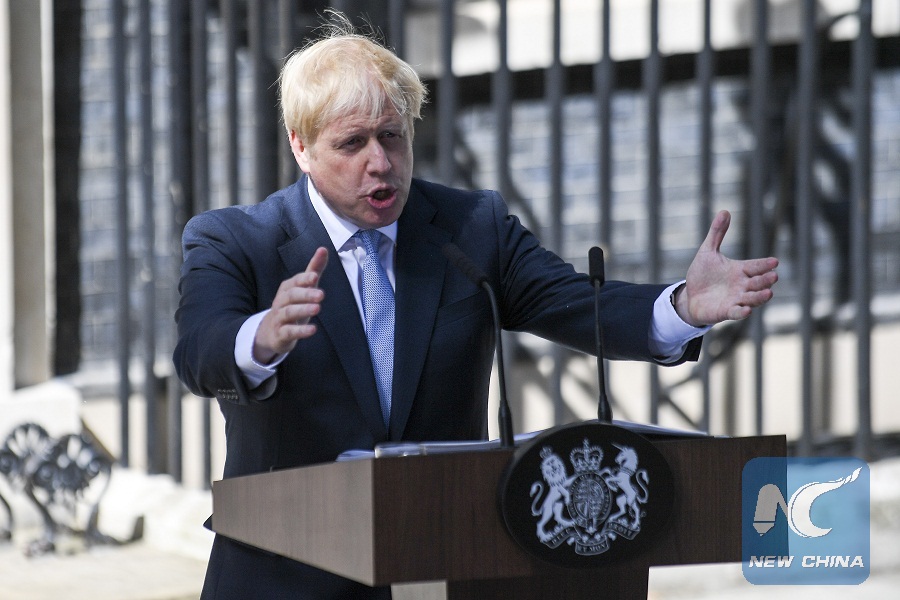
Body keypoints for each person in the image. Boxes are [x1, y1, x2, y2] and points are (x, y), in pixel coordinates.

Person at [173, 14, 779, 600]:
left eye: (392, 136)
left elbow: (575, 303)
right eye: (352, 143)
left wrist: (682, 307)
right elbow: (200, 347)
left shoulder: (470, 228)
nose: (380, 162)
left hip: (446, 562)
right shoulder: (236, 240)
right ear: (301, 148)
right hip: (288, 570)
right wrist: (260, 338)